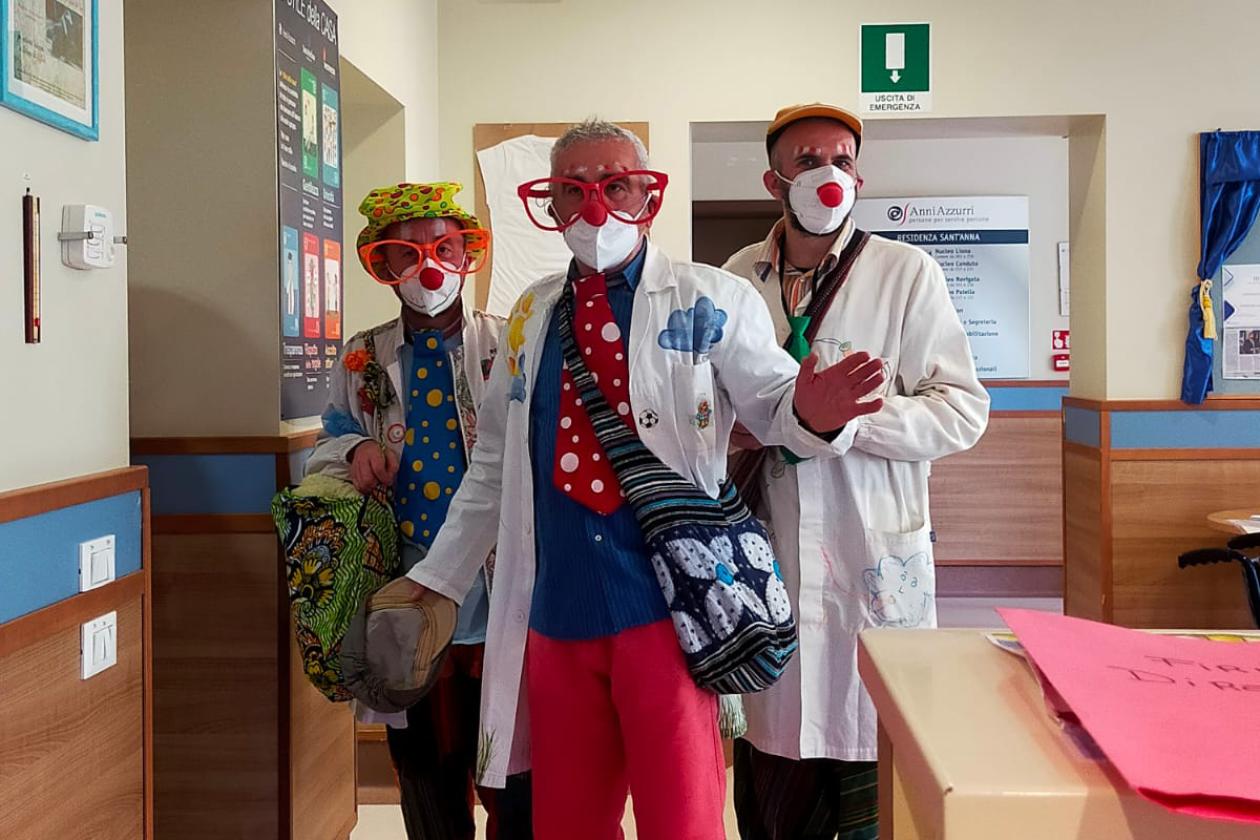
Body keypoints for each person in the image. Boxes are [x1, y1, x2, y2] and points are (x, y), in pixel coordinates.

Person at [393, 120, 888, 840]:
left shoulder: (709, 297)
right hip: (556, 617)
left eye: (616, 185)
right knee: (570, 825)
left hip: (668, 613)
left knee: (680, 820)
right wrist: (438, 578)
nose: (595, 207)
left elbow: (775, 406)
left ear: (648, 198)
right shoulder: (530, 316)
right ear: (553, 205)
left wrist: (812, 413)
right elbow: (493, 464)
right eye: (573, 191)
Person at [722, 104, 991, 840]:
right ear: (774, 181)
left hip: (871, 551)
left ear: (860, 177)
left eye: (841, 160)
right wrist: (743, 428)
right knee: (777, 779)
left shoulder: (904, 273)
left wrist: (844, 419)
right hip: (764, 551)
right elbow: (705, 408)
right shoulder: (735, 280)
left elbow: (962, 411)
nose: (827, 175)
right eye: (807, 161)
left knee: (875, 766)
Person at [305, 182, 532, 840]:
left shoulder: (507, 342)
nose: (428, 268)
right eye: (408, 254)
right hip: (406, 598)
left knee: (515, 777)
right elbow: (329, 439)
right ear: (383, 265)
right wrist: (353, 450)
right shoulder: (364, 356)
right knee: (427, 773)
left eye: (444, 248)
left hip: (498, 598)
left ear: (467, 255)